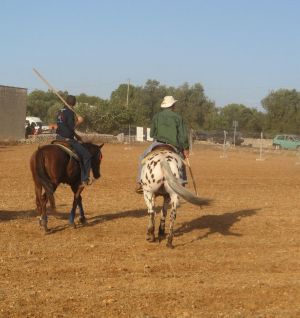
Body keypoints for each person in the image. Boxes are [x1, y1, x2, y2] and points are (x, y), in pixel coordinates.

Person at [136, 95, 189, 193]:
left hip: (157, 143)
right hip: (173, 145)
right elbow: (183, 136)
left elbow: (152, 133)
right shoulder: (178, 117)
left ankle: (140, 182)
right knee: (181, 161)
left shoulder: (156, 116)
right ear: (172, 105)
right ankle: (183, 182)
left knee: (142, 158)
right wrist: (186, 149)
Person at [56, 95, 92, 187]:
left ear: (65, 102)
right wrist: (79, 122)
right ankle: (84, 179)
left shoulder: (60, 111)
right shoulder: (70, 112)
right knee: (87, 155)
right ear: (74, 103)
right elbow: (72, 127)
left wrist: (77, 136)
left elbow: (65, 127)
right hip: (68, 140)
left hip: (58, 138)